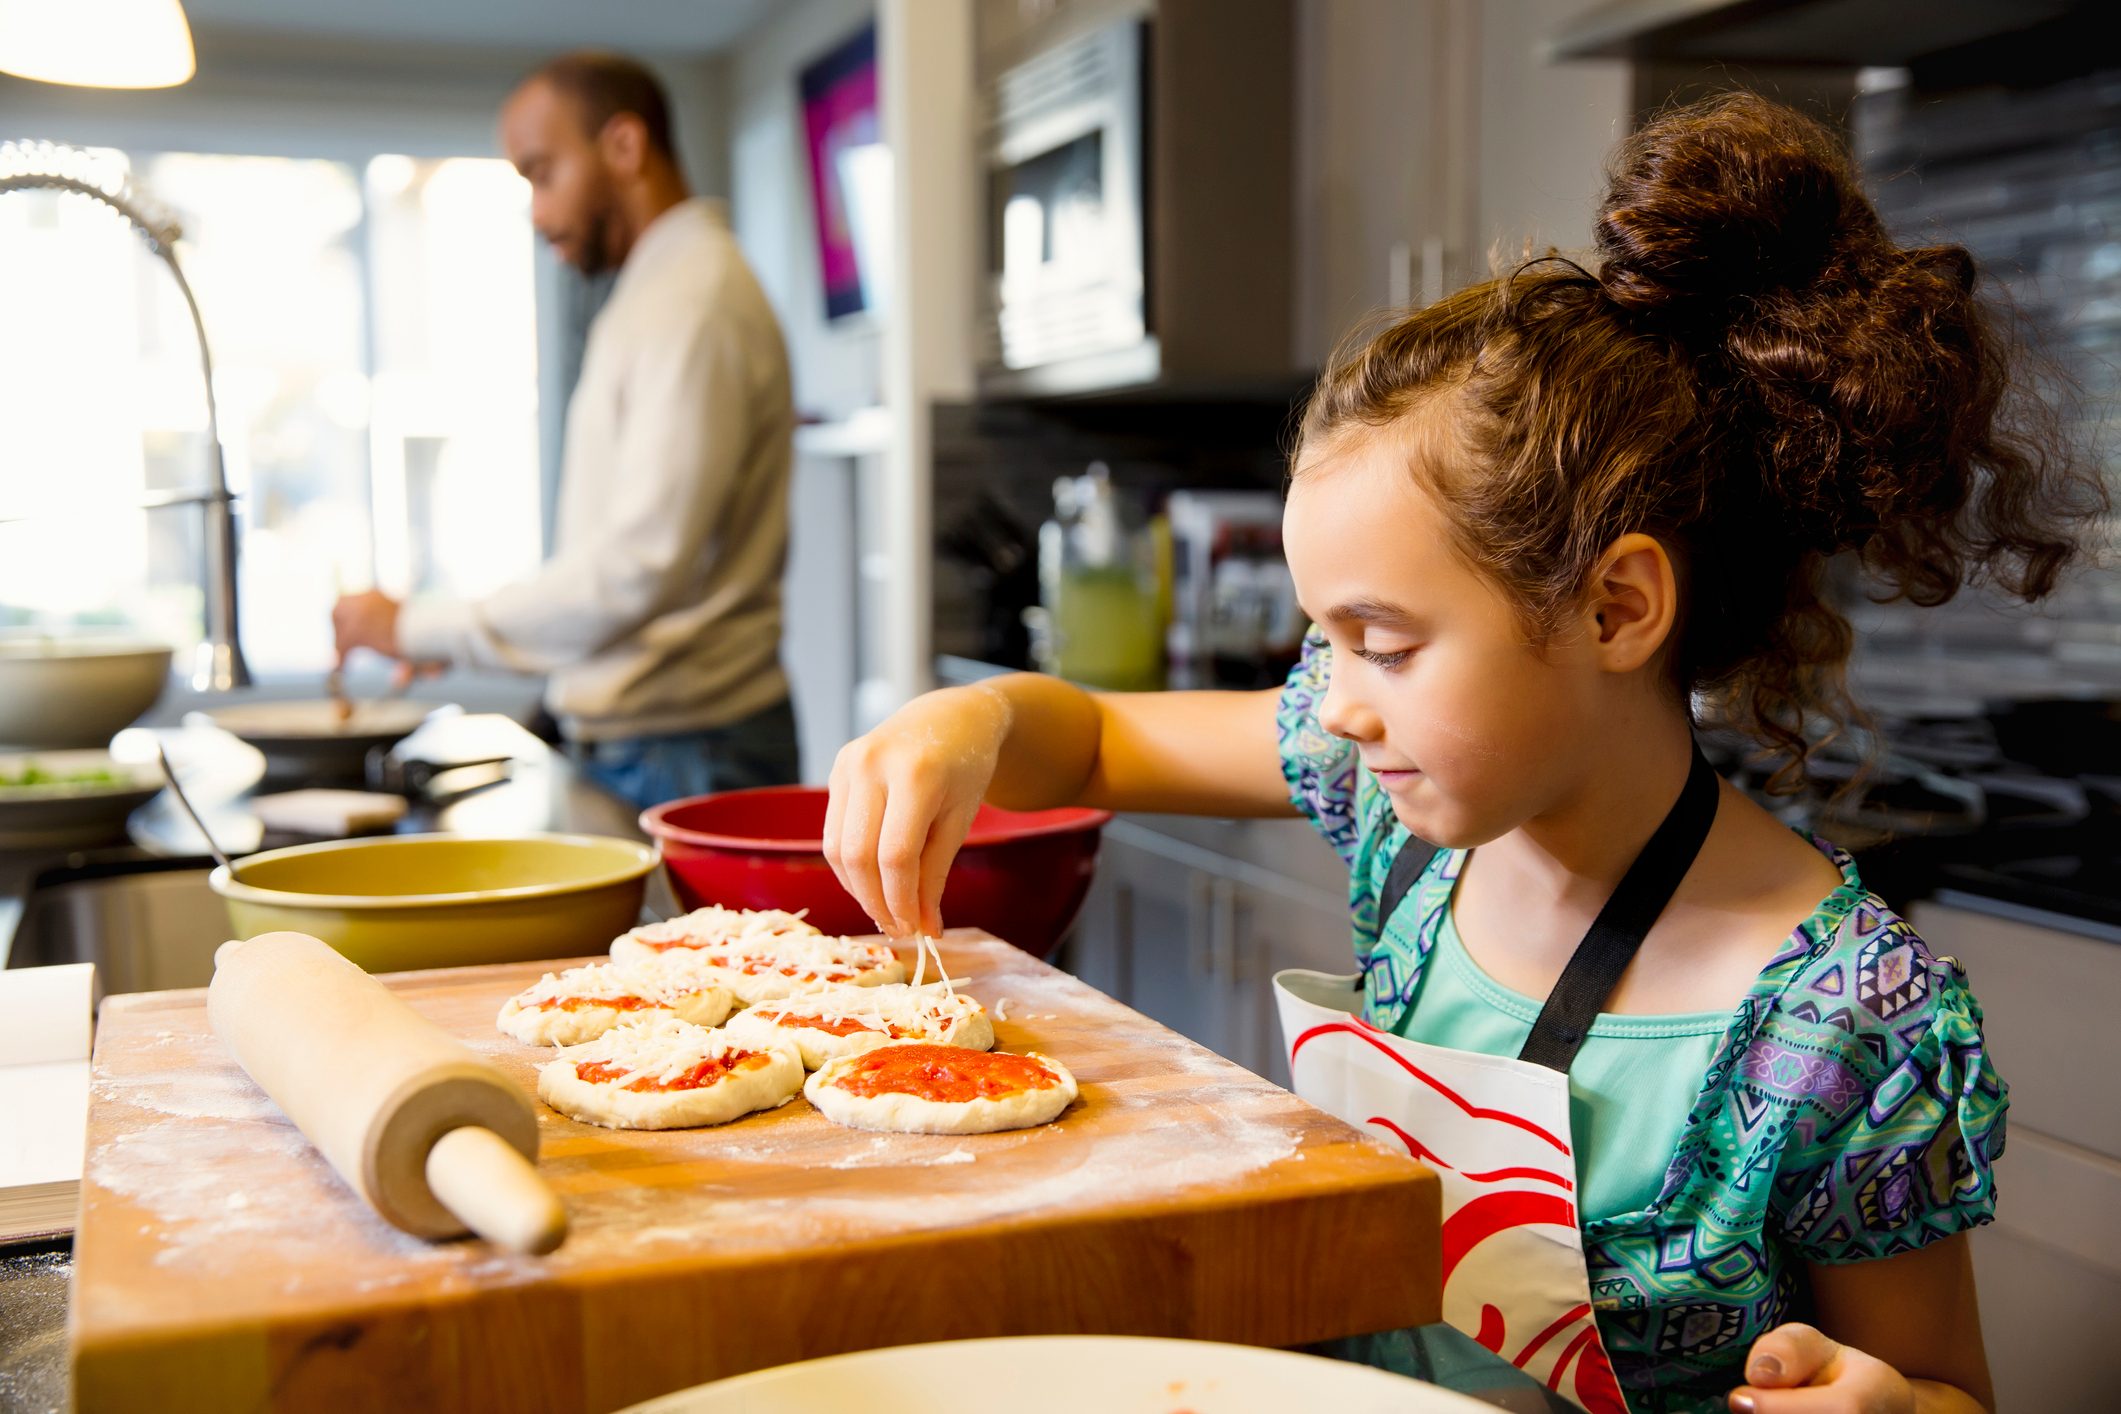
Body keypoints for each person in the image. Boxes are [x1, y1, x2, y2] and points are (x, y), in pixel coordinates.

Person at [820, 94, 2100, 1413]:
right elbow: (1089, 735)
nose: (1336, 706)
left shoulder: (1846, 1027)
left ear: (1615, 609)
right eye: (1325, 639)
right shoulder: (1404, 818)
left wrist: (1884, 1402)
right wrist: (967, 719)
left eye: (1382, 643)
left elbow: (1950, 1389)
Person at [333, 51, 799, 810]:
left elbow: (636, 567)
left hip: (687, 753)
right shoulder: (658, 292)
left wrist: (419, 625)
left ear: (623, 146)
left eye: (543, 173)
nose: (536, 210)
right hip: (661, 745)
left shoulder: (692, 300)